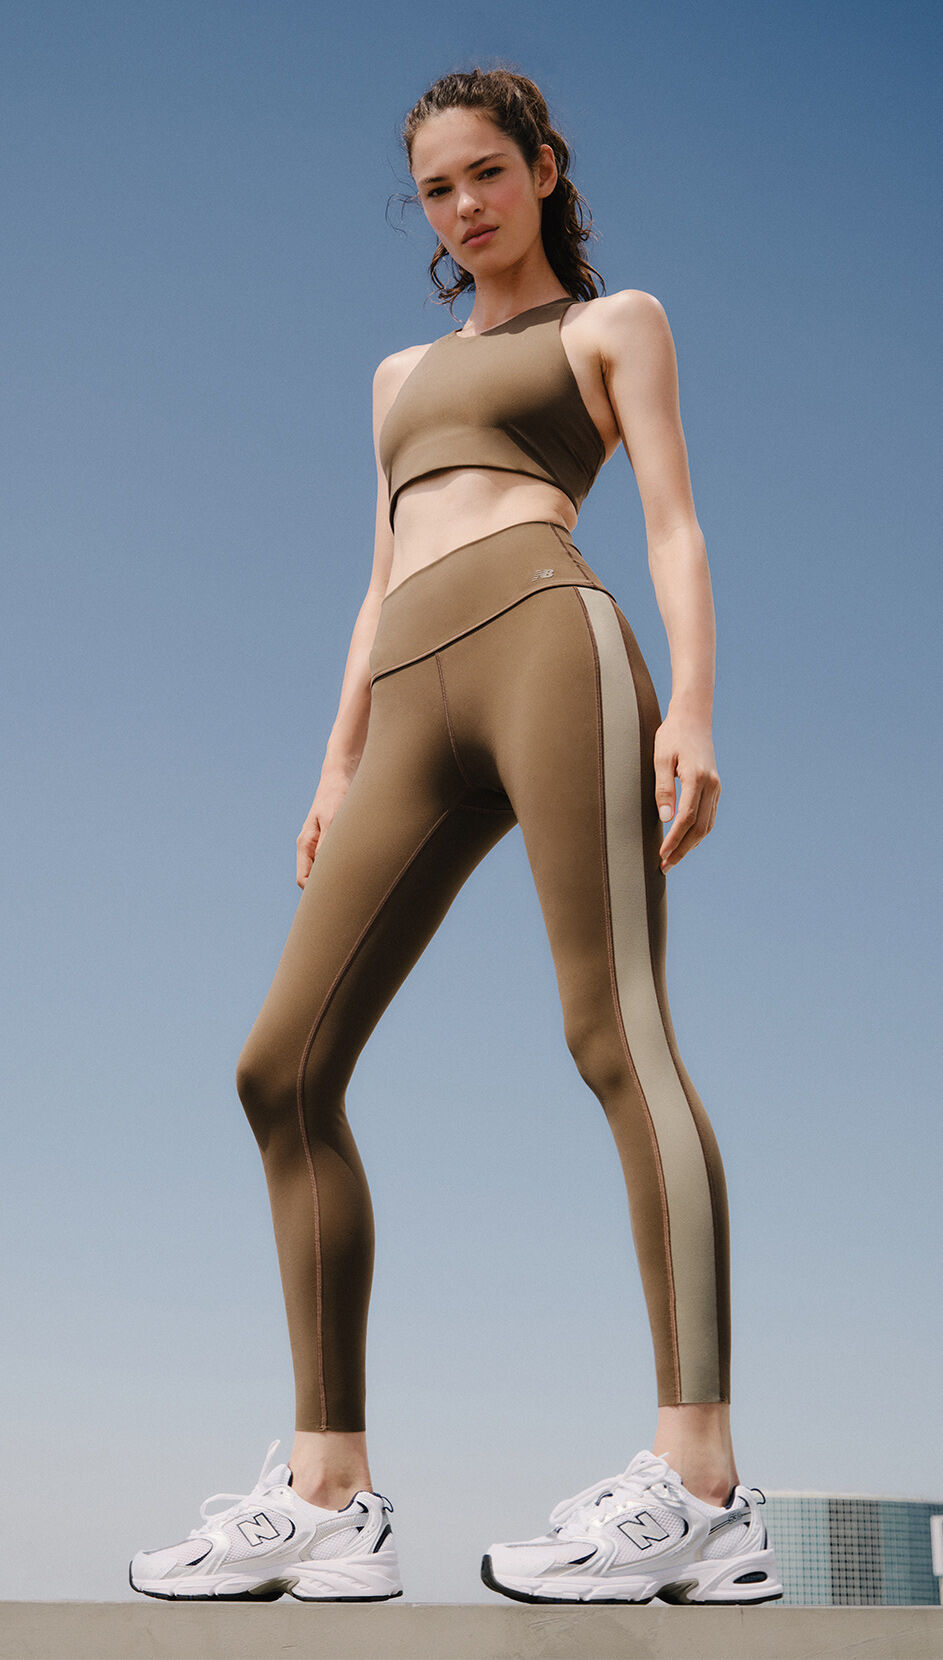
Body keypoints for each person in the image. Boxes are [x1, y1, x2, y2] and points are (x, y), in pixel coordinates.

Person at [129, 65, 782, 1607]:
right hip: (408, 700)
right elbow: (376, 581)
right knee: (280, 1067)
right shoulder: (395, 377)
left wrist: (694, 705)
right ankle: (328, 1495)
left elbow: (674, 520)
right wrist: (336, 761)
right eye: (437, 187)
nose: (465, 205)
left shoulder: (614, 326)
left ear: (544, 170)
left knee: (614, 1032)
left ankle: (703, 1483)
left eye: (490, 172)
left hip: (551, 643)